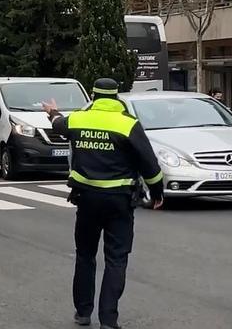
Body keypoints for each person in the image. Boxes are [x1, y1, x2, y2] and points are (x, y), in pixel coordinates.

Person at [42, 78, 164, 329]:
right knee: (116, 259)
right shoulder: (128, 124)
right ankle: (109, 320)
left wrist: (52, 111)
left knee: (85, 255)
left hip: (86, 199)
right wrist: (157, 192)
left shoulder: (79, 119)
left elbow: (58, 125)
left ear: (94, 96)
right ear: (116, 97)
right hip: (119, 201)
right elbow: (150, 165)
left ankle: (83, 312)